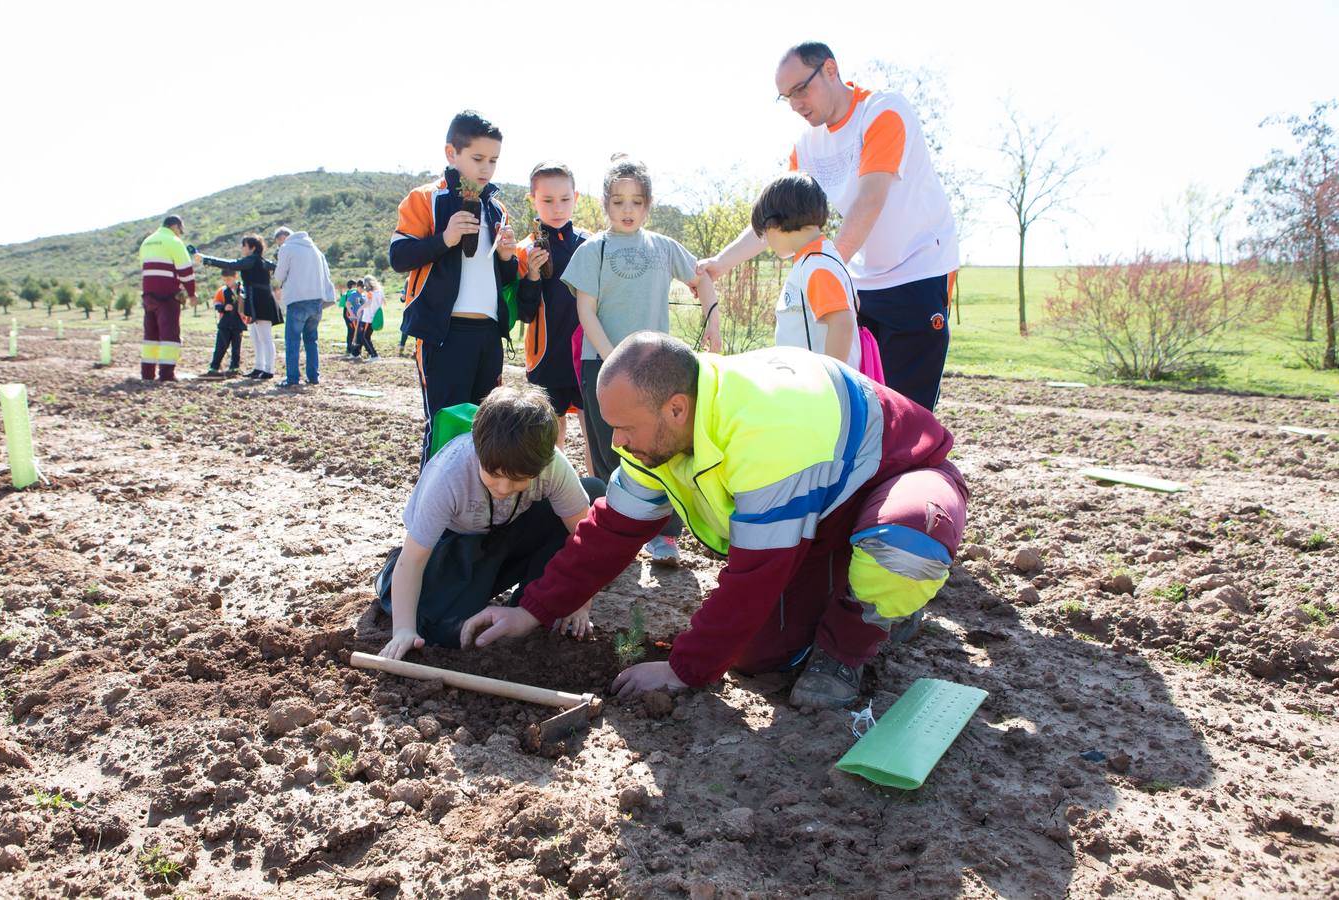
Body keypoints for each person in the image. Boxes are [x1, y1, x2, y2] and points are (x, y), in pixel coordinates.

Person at [460, 332, 968, 710]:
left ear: (676, 409)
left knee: (902, 545)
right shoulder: (654, 435)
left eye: (624, 428)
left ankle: (858, 638)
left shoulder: (769, 433)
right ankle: (852, 598)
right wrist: (532, 609)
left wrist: (684, 669)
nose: (615, 444)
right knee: (754, 657)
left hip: (896, 484)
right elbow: (611, 531)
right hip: (817, 526)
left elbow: (757, 573)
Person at [699, 41, 958, 412]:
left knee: (908, 409)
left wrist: (827, 267)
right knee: (866, 406)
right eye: (786, 97)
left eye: (801, 89)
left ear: (831, 70)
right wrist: (720, 263)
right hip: (859, 283)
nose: (796, 104)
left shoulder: (882, 111)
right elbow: (778, 217)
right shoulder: (806, 146)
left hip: (917, 272)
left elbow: (870, 200)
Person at [560, 155, 720, 565]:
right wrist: (616, 360)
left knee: (663, 448)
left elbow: (701, 277)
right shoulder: (591, 250)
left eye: (636, 202)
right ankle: (618, 534)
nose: (627, 210)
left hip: (657, 370)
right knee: (612, 450)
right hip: (602, 364)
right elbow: (586, 311)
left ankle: (665, 536)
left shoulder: (664, 248)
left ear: (648, 205)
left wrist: (713, 321)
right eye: (618, 202)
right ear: (605, 205)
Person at [375, 386, 605, 660]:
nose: (504, 487)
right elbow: (413, 560)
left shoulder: (552, 466)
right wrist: (403, 630)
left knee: (592, 491)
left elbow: (584, 541)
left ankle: (531, 606)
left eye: (519, 479)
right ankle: (388, 576)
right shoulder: (449, 474)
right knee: (443, 627)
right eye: (494, 474)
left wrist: (578, 602)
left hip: (513, 532)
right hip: (461, 543)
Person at [389, 110, 518, 466]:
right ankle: (434, 513)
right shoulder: (425, 198)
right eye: (478, 158)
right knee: (445, 422)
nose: (486, 168)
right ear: (451, 153)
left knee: (485, 425)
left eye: (493, 160)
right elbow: (399, 255)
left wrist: (508, 258)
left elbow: (502, 278)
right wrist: (445, 238)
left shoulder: (497, 209)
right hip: (444, 334)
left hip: (488, 335)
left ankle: (473, 508)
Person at [751, 172, 862, 369]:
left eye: (764, 235)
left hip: (820, 390)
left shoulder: (816, 265)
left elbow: (842, 324)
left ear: (774, 224)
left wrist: (832, 382)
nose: (767, 242)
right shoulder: (824, 257)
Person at [516, 161, 590, 454]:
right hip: (545, 359)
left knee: (594, 436)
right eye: (547, 200)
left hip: (587, 356)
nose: (557, 208)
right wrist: (532, 276)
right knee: (549, 442)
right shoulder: (526, 249)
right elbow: (523, 313)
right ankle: (552, 498)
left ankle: (597, 497)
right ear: (533, 199)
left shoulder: (591, 245)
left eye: (565, 199)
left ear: (577, 198)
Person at [200, 235, 279, 380]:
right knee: (257, 337)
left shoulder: (252, 260)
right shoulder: (261, 261)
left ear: (252, 247)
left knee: (264, 337)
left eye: (244, 246)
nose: (242, 248)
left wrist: (207, 260)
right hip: (258, 300)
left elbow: (231, 264)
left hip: (260, 301)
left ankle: (269, 370)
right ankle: (259, 367)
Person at [272, 225, 335, 388]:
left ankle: (292, 378)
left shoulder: (287, 248)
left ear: (282, 238)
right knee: (311, 340)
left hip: (297, 300)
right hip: (316, 301)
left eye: (278, 243)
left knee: (292, 341)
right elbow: (327, 275)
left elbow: (279, 275)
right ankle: (313, 376)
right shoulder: (315, 249)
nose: (279, 246)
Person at [137, 215, 198, 381]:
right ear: (176, 227)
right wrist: (192, 294)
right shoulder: (174, 241)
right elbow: (186, 271)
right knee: (169, 335)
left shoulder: (147, 242)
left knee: (151, 336)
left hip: (148, 296)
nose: (180, 234)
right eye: (180, 231)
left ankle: (147, 374)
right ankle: (166, 374)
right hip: (167, 297)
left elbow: (144, 268)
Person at [207, 272, 246, 375]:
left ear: (235, 277)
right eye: (224, 280)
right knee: (220, 346)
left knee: (236, 348)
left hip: (238, 324)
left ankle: (234, 367)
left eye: (228, 279)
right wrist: (223, 308)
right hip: (225, 324)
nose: (226, 282)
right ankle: (214, 367)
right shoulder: (222, 291)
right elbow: (216, 303)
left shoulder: (243, 290)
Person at [357, 275, 381, 359]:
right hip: (373, 317)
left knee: (364, 337)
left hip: (368, 318)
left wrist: (360, 308)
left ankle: (374, 355)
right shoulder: (379, 292)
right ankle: (357, 352)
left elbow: (369, 303)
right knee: (365, 336)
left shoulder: (370, 293)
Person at [341, 279, 363, 357]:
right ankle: (351, 349)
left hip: (346, 312)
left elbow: (341, 304)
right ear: (353, 286)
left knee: (351, 331)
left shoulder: (346, 293)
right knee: (353, 331)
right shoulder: (353, 292)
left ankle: (350, 348)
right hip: (349, 312)